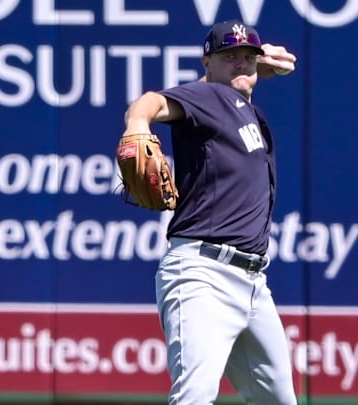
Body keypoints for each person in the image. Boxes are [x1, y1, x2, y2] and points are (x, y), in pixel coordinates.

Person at [122, 20, 298, 405]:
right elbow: (152, 102)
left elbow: (245, 77)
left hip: (253, 283)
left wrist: (255, 65)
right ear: (207, 63)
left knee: (280, 401)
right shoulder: (206, 97)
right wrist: (136, 122)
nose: (240, 63)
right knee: (194, 396)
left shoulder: (242, 106)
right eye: (228, 56)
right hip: (202, 275)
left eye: (247, 57)